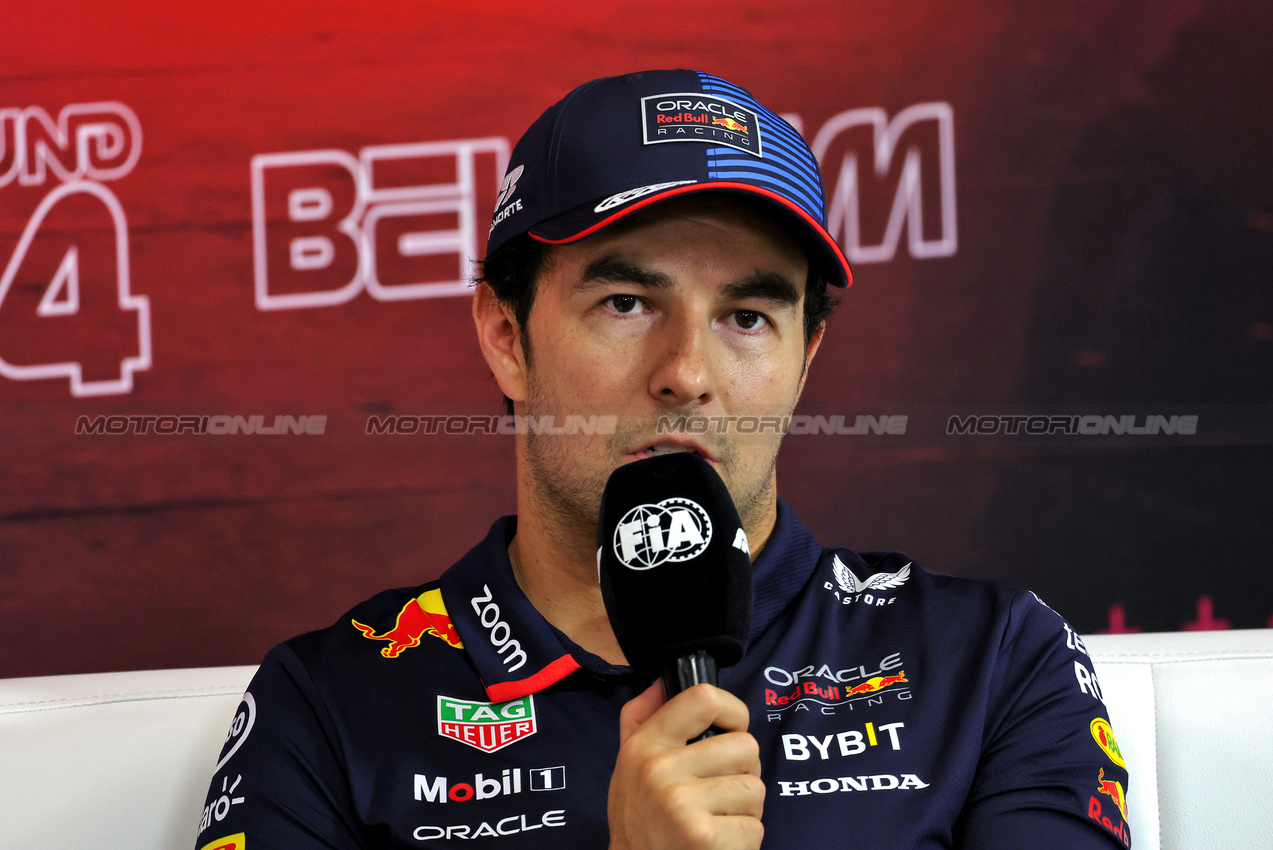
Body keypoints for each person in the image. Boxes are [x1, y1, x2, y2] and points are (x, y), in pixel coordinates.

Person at [195, 70, 1132, 850]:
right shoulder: (331, 700)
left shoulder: (991, 658)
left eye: (747, 317)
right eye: (626, 304)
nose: (687, 373)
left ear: (805, 360)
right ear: (505, 336)